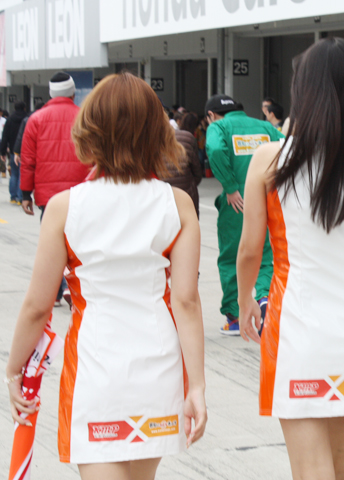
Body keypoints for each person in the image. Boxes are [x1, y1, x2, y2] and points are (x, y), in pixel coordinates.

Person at [5, 72, 207, 479]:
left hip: (96, 369)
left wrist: (13, 368)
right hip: (159, 369)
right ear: (157, 132)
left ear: (90, 130)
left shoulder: (64, 207)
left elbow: (37, 306)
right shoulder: (178, 204)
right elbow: (185, 301)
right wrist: (197, 386)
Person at [236, 37, 344, 480]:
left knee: (312, 470)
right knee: (339, 466)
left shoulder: (270, 159)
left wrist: (245, 300)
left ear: (304, 91)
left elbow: (250, 249)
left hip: (297, 330)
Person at [205, 94, 284, 335]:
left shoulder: (219, 127)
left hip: (237, 201)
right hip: (268, 197)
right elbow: (286, 147)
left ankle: (235, 316)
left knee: (232, 256)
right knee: (266, 255)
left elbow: (215, 149)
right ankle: (264, 299)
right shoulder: (265, 127)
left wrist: (230, 186)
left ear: (211, 115)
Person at [20, 72, 90, 307]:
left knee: (52, 245)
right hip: (82, 192)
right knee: (81, 243)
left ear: (51, 94)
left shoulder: (36, 119)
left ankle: (56, 293)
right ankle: (75, 288)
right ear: (72, 92)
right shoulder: (85, 117)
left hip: (48, 197)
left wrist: (25, 193)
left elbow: (28, 160)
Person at [160, 112, 203, 217]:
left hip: (161, 198)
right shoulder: (187, 137)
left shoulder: (146, 142)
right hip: (187, 193)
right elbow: (197, 172)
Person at [0, 101, 28, 204]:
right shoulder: (27, 118)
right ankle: (21, 197)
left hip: (13, 150)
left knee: (14, 174)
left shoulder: (10, 119)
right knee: (22, 173)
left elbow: (5, 136)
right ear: (24, 108)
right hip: (25, 150)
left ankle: (13, 197)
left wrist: (2, 151)